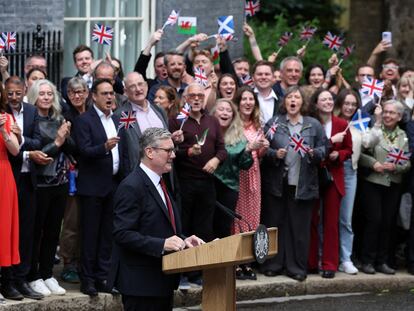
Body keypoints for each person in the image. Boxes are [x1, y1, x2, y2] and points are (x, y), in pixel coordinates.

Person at [109, 127, 204, 311]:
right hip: (141, 285)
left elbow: (160, 226)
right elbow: (122, 234)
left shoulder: (162, 182)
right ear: (149, 152)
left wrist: (184, 240)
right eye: (168, 151)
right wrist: (162, 244)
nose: (173, 156)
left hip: (162, 281)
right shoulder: (132, 186)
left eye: (173, 150)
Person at [260, 86, 327, 281]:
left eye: (297, 97)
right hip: (278, 184)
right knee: (276, 225)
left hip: (303, 184)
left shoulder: (312, 125)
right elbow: (264, 150)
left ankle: (297, 267)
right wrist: (275, 154)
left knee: (299, 229)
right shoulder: (275, 123)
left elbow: (324, 147)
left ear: (302, 102)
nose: (293, 100)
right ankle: (273, 264)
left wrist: (315, 154)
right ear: (284, 102)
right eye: (289, 97)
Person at [26, 79, 75, 296]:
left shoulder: (59, 118)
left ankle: (47, 274)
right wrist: (58, 140)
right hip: (40, 184)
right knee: (36, 232)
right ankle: (33, 275)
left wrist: (67, 134)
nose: (46, 97)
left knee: (54, 231)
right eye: (42, 93)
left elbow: (73, 149)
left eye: (49, 93)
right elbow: (41, 156)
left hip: (61, 182)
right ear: (34, 95)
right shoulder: (30, 121)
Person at [73, 78, 122, 296]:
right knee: (90, 235)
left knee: (107, 235)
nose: (109, 97)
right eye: (104, 93)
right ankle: (88, 279)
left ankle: (103, 276)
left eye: (111, 93)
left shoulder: (118, 119)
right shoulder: (84, 120)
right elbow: (82, 151)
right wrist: (104, 147)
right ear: (94, 96)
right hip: (92, 187)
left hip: (113, 185)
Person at [1, 76, 43, 301]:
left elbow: (38, 141)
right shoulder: (2, 111)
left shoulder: (31, 111)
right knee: (6, 232)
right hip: (7, 178)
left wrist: (21, 138)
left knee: (26, 232)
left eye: (18, 93)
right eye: (10, 93)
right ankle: (6, 281)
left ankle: (22, 279)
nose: (14, 97)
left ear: (25, 90)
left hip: (28, 180)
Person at [359, 100, 410, 275]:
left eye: (392, 113)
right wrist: (374, 163)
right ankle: (367, 261)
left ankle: (382, 262)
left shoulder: (403, 135)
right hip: (373, 181)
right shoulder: (374, 130)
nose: (388, 115)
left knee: (388, 223)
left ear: (399, 117)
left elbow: (407, 162)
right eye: (385, 112)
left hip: (393, 183)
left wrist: (396, 167)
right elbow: (361, 154)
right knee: (375, 221)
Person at [334, 89, 381, 274]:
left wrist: (377, 122)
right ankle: (326, 256)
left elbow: (369, 142)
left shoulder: (359, 124)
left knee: (345, 219)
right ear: (340, 103)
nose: (350, 107)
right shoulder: (332, 121)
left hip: (350, 173)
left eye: (353, 104)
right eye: (346, 103)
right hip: (330, 171)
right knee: (327, 218)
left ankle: (345, 258)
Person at [308, 88, 352, 279]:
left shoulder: (342, 124)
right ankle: (310, 263)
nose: (327, 102)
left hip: (333, 176)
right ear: (316, 103)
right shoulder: (311, 124)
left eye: (330, 99)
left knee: (331, 222)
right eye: (323, 99)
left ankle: (330, 264)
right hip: (313, 176)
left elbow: (349, 150)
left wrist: (338, 154)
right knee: (312, 220)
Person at [59, 77, 89, 284]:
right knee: (71, 221)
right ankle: (69, 263)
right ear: (68, 95)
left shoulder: (94, 114)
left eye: (81, 92)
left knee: (89, 221)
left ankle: (84, 262)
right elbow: (68, 147)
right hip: (73, 174)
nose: (77, 96)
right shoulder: (65, 117)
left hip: (94, 174)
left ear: (87, 93)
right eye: (72, 93)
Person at [210, 99, 254, 238]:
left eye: (229, 111)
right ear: (213, 113)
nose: (225, 113)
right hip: (207, 186)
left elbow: (246, 165)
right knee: (205, 225)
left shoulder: (240, 138)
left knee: (223, 227)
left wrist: (248, 151)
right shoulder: (205, 132)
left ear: (233, 115)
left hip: (228, 188)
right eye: (221, 109)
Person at [0, 82, 21, 297]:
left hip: (3, 174)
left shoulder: (7, 118)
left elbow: (15, 150)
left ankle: (6, 281)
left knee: (4, 226)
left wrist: (3, 133)